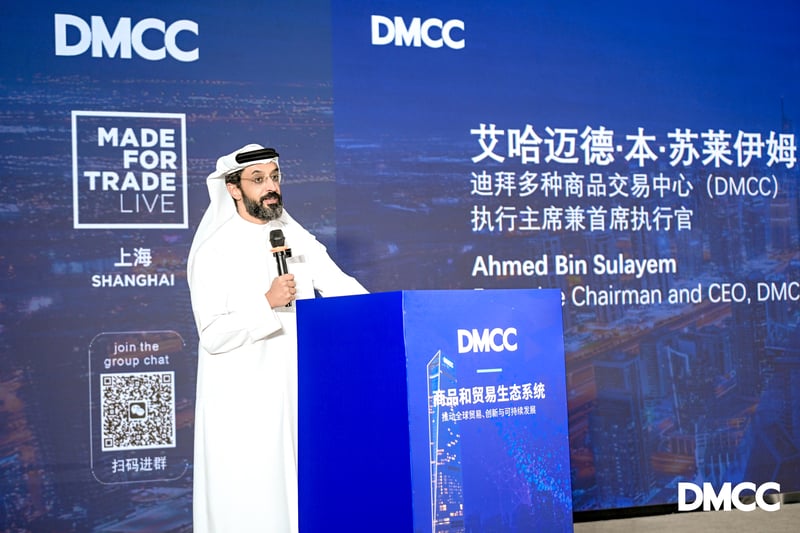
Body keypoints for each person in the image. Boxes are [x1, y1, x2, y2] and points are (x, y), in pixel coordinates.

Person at [187, 144, 367, 532]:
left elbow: (342, 287)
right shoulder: (213, 251)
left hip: (299, 393)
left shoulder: (294, 237)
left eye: (274, 177)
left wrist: (385, 314)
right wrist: (266, 302)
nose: (271, 187)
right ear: (233, 189)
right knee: (256, 503)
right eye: (258, 179)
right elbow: (212, 335)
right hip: (244, 407)